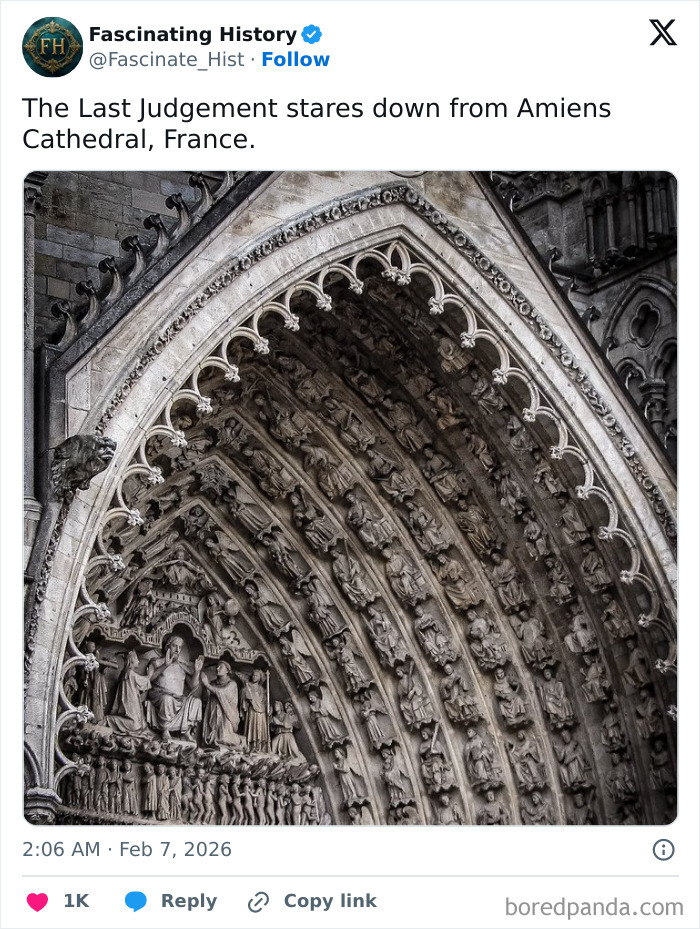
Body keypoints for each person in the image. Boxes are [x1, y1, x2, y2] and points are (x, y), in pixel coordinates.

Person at [145, 636, 203, 741]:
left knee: (196, 702)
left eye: (179, 647)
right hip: (160, 695)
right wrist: (165, 665)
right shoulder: (157, 662)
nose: (177, 649)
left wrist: (197, 672)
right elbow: (150, 679)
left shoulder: (182, 666)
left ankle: (186, 731)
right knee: (167, 699)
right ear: (168, 647)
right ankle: (165, 729)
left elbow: (193, 686)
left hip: (179, 698)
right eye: (174, 646)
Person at [201, 661, 245, 748]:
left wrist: (207, 685)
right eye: (217, 667)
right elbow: (206, 698)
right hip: (213, 714)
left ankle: (242, 739)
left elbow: (222, 692)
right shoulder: (213, 683)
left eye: (220, 667)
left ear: (227, 671)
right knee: (212, 739)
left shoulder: (232, 684)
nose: (217, 669)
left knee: (224, 738)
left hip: (226, 715)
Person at [107, 649, 152, 734]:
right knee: (135, 725)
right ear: (132, 660)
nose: (138, 661)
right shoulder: (130, 673)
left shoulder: (126, 672)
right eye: (136, 659)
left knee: (139, 724)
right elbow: (143, 681)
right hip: (130, 701)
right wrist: (150, 673)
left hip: (132, 700)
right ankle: (108, 720)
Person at [242, 670, 270, 752]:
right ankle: (251, 746)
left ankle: (260, 746)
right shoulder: (248, 687)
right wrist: (247, 698)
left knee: (260, 728)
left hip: (261, 711)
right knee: (252, 726)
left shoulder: (261, 689)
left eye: (256, 675)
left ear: (260, 678)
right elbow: (244, 697)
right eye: (253, 675)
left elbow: (264, 701)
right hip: (252, 710)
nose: (254, 677)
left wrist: (268, 707)